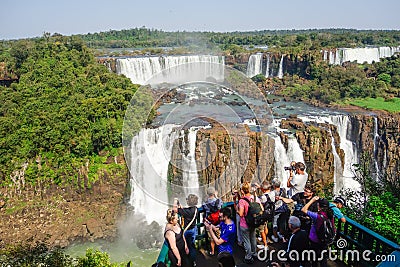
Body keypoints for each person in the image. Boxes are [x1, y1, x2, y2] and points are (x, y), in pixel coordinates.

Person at [301, 196, 334, 267]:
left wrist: (312, 200)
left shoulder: (317, 216)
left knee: (314, 259)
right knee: (323, 259)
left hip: (315, 240)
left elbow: (303, 209)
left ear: (319, 206)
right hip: (325, 240)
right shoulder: (330, 214)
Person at [235, 181, 260, 264]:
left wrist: (236, 208)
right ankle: (254, 253)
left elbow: (241, 213)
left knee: (246, 241)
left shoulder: (242, 201)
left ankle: (248, 257)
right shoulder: (253, 197)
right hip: (253, 222)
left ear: (242, 191)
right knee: (253, 238)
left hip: (245, 224)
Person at [174, 194, 199, 267]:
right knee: (192, 246)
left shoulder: (187, 212)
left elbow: (175, 210)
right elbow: (185, 211)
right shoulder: (196, 209)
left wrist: (175, 201)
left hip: (187, 231)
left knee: (185, 246)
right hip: (194, 229)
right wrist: (180, 206)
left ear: (189, 202)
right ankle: (193, 261)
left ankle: (187, 262)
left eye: (187, 199)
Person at [202, 186, 223, 256]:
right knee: (219, 236)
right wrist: (216, 197)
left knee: (211, 237)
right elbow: (220, 205)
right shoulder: (218, 201)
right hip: (218, 222)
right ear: (214, 193)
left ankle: (212, 252)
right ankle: (221, 251)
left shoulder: (205, 203)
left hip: (209, 223)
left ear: (207, 193)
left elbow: (204, 207)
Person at [258, 180, 275, 247]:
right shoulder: (273, 193)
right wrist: (260, 187)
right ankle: (266, 238)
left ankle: (265, 245)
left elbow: (259, 202)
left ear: (263, 189)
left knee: (261, 229)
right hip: (270, 213)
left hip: (264, 214)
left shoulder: (263, 197)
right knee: (266, 226)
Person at [271, 178, 289, 243]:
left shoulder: (273, 193)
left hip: (276, 210)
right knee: (282, 222)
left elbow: (271, 201)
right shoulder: (283, 190)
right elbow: (286, 197)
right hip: (283, 209)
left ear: (274, 185)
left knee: (274, 223)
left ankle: (275, 237)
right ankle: (281, 234)